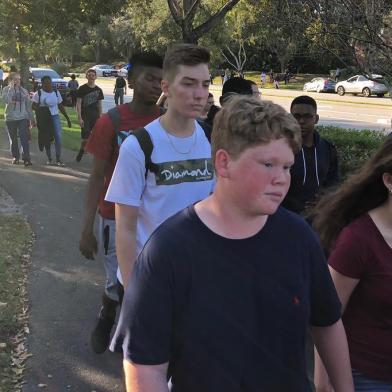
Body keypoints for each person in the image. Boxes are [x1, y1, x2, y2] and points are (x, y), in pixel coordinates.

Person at [111, 96, 354, 392]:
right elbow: (143, 367)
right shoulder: (168, 251)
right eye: (268, 164)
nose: (281, 179)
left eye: (287, 167)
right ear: (224, 163)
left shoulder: (300, 238)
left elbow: (327, 323)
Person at [105, 43, 214, 291]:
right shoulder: (139, 146)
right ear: (166, 87)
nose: (200, 94)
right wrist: (133, 290)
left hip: (198, 278)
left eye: (205, 84)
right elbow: (125, 228)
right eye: (188, 83)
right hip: (150, 280)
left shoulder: (212, 140)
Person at [78, 52, 164, 354]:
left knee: (152, 283)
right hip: (114, 217)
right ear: (131, 81)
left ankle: (140, 340)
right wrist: (86, 228)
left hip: (155, 218)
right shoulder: (111, 122)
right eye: (149, 78)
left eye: (160, 80)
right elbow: (96, 176)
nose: (156, 86)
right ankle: (107, 316)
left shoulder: (167, 121)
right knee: (118, 283)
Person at [312, 137, 392, 391]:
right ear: (389, 181)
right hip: (366, 378)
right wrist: (323, 384)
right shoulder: (358, 239)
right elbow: (327, 317)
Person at [282, 95, 339, 215]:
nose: (301, 121)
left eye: (308, 116)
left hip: (319, 217)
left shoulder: (327, 148)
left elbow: (333, 183)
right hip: (287, 216)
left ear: (316, 119)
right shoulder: (282, 147)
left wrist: (323, 202)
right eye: (296, 116)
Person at [32, 75, 72, 166]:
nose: (48, 85)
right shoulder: (38, 93)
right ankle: (49, 158)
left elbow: (60, 106)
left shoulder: (56, 92)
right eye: (45, 83)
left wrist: (67, 119)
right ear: (42, 84)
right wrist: (41, 107)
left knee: (58, 137)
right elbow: (33, 106)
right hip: (44, 118)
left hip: (55, 117)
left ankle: (58, 159)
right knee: (47, 138)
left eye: (49, 83)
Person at [2, 72, 35, 166]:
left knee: (24, 137)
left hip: (22, 117)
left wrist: (32, 119)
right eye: (15, 79)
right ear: (10, 80)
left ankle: (26, 158)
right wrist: (12, 89)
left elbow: (28, 106)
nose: (17, 81)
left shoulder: (24, 91)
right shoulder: (5, 89)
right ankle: (15, 156)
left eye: (19, 79)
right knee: (13, 139)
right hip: (10, 118)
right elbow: (7, 100)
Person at [75, 69, 104, 162]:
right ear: (86, 76)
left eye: (93, 75)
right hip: (85, 116)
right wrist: (79, 117)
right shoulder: (82, 89)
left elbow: (99, 104)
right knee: (85, 137)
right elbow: (78, 103)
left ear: (96, 77)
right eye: (89, 75)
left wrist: (100, 117)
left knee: (97, 136)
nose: (91, 77)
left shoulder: (99, 90)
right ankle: (82, 149)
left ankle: (97, 157)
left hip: (95, 116)